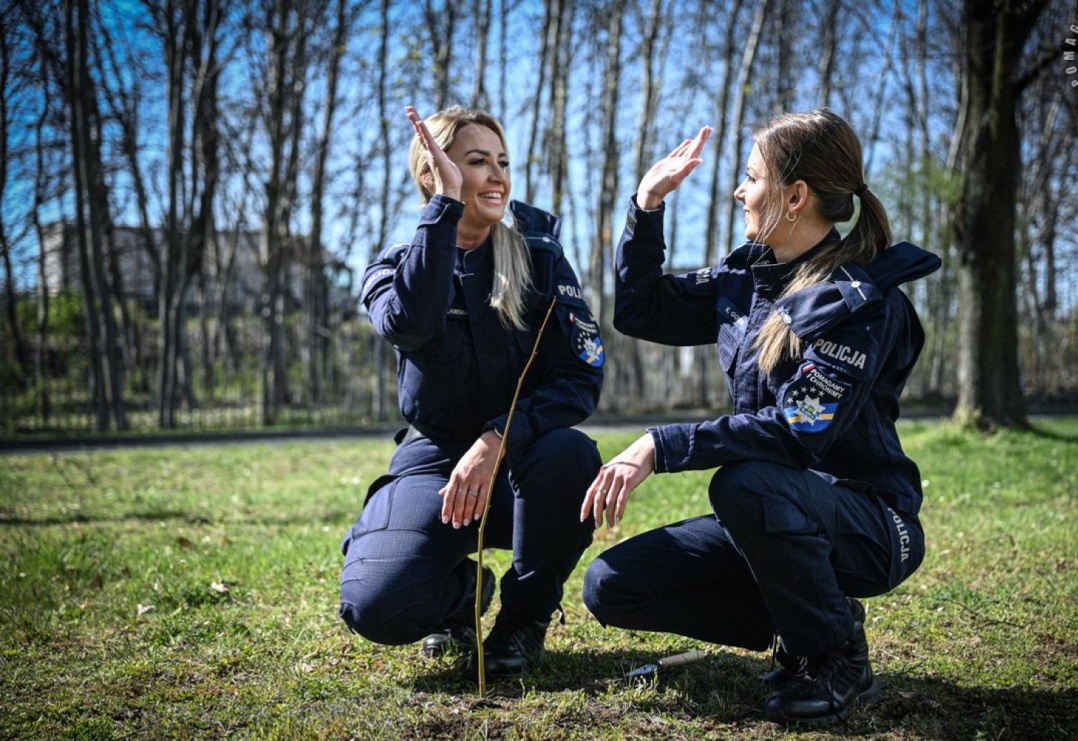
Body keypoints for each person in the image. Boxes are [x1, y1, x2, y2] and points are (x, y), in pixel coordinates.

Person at [580, 109, 941, 725]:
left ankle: (834, 658)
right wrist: (646, 208)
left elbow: (796, 429)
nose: (740, 191)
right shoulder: (747, 279)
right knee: (614, 583)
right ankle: (807, 619)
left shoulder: (860, 304)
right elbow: (641, 312)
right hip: (774, 511)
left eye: (752, 177)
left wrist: (658, 446)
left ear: (795, 196)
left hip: (866, 522)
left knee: (744, 481)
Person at [339, 105, 604, 678]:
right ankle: (460, 595)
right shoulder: (392, 268)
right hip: (432, 462)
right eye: (476, 163)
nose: (497, 177)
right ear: (434, 173)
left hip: (525, 461)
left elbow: (581, 378)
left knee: (572, 455)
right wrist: (444, 211)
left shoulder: (539, 260)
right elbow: (409, 323)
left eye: (502, 162)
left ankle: (524, 620)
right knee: (376, 606)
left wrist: (497, 438)